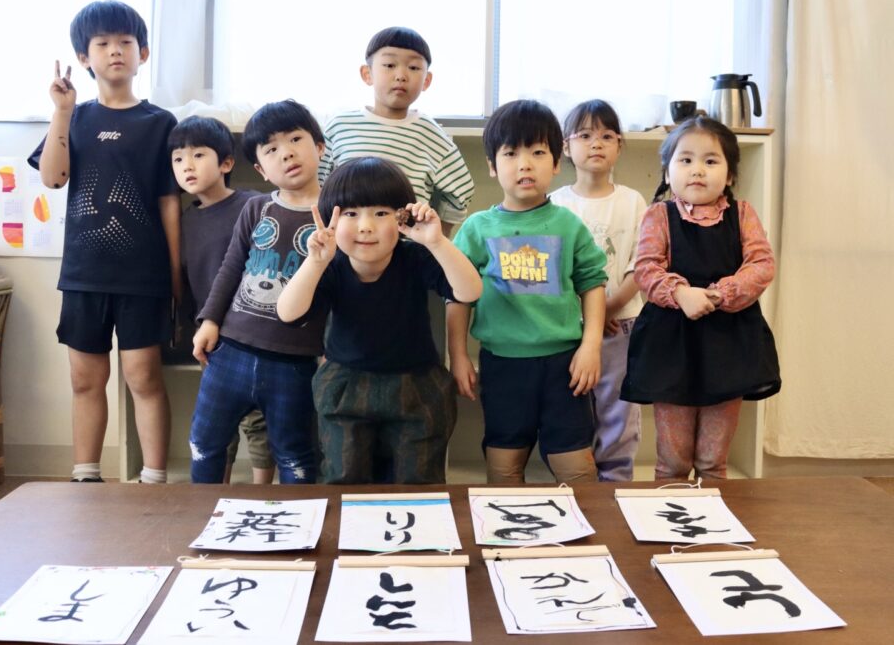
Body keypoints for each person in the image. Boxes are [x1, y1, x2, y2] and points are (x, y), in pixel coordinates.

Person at [29, 0, 179, 484]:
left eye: (125, 42)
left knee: (144, 377)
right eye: (103, 43)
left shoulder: (161, 123)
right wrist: (62, 112)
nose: (115, 50)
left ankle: (153, 480)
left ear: (143, 53)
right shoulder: (74, 117)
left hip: (143, 277)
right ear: (84, 57)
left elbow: (169, 203)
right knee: (85, 379)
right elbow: (53, 179)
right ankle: (85, 477)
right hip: (84, 275)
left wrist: (176, 277)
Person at [277, 157, 482, 484]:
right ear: (332, 221)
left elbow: (470, 291)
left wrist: (437, 241)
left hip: (416, 386)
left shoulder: (415, 257)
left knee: (418, 480)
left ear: (402, 217)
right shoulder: (331, 264)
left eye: (381, 213)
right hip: (346, 386)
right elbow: (289, 314)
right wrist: (314, 263)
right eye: (351, 214)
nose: (365, 226)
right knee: (344, 477)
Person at [447, 99, 608, 484]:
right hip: (502, 366)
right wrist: (458, 355)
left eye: (537, 152)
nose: (524, 164)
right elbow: (456, 296)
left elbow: (593, 283)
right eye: (511, 153)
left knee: (577, 468)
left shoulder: (568, 224)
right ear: (492, 165)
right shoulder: (477, 228)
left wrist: (591, 347)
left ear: (556, 163)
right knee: (504, 465)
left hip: (565, 366)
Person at [620, 116, 781, 481]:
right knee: (673, 462)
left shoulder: (743, 214)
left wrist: (719, 294)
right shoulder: (658, 215)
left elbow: (761, 264)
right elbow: (646, 268)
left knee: (712, 461)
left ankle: (716, 513)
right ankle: (668, 512)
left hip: (729, 345)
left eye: (710, 161)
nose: (697, 170)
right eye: (685, 159)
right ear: (667, 172)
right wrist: (681, 293)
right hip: (671, 346)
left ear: (730, 175)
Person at [189, 99, 327, 484]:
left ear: (319, 146)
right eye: (271, 149)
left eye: (295, 139)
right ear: (261, 170)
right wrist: (209, 321)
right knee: (205, 443)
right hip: (231, 350)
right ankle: (201, 512)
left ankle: (298, 519)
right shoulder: (256, 208)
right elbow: (231, 267)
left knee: (296, 456)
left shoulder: (337, 215)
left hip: (295, 361)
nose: (286, 153)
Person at [168, 115, 275, 485]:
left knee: (259, 420)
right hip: (212, 338)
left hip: (256, 331)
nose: (187, 166)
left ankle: (262, 493)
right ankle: (216, 493)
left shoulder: (256, 205)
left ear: (226, 163)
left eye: (198, 155)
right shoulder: (184, 220)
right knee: (218, 422)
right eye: (178, 159)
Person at [548, 99, 647, 482]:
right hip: (569, 326)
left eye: (607, 136)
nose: (596, 143)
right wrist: (588, 314)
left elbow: (642, 264)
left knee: (618, 410)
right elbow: (552, 271)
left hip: (622, 325)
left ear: (619, 146)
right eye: (585, 135)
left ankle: (616, 485)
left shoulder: (632, 201)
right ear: (566, 146)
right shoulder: (556, 203)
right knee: (572, 408)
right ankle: (577, 486)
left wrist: (606, 309)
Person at [318, 26, 474, 236]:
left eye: (414, 67)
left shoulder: (431, 134)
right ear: (367, 74)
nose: (401, 75)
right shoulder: (340, 126)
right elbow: (318, 186)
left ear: (427, 80)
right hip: (348, 245)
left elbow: (461, 191)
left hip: (407, 248)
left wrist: (437, 237)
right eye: (389, 65)